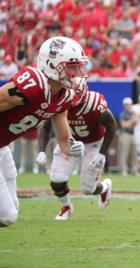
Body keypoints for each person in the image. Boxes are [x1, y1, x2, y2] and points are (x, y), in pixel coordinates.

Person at [0, 36, 87, 227]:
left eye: (78, 66)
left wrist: (72, 147)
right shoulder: (35, 83)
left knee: (12, 209)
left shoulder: (64, 95)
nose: (77, 72)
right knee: (7, 216)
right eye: (71, 67)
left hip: (2, 146)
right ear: (51, 64)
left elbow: (64, 140)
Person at [37, 90, 117, 220]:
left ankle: (104, 188)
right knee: (57, 179)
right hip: (70, 142)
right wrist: (41, 150)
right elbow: (46, 127)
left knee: (88, 189)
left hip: (93, 143)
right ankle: (66, 206)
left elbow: (112, 125)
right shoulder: (59, 102)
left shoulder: (93, 103)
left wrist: (101, 154)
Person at [118, 97, 138, 176]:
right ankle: (124, 170)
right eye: (126, 105)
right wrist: (131, 122)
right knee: (124, 153)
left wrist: (130, 123)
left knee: (134, 153)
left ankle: (134, 169)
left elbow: (135, 122)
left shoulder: (134, 113)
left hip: (133, 134)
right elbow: (124, 125)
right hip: (125, 134)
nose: (127, 106)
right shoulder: (123, 114)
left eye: (129, 104)